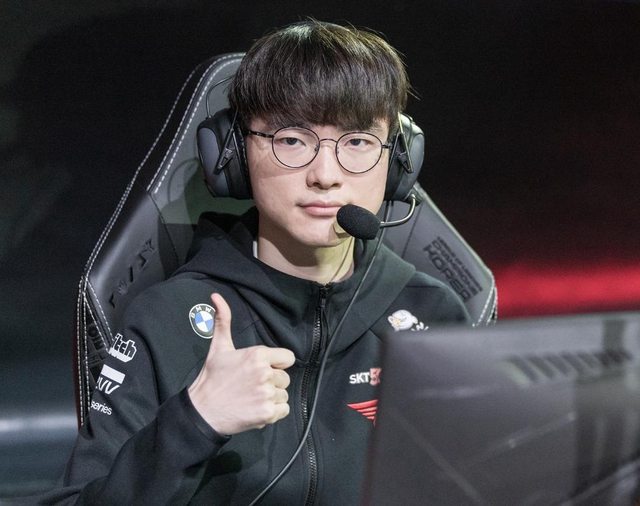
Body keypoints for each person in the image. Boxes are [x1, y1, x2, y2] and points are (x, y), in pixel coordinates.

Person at [40, 19, 470, 505]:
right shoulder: (167, 323)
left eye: (357, 142)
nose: (325, 175)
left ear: (398, 161)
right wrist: (195, 421)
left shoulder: (434, 318)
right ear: (234, 154)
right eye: (292, 140)